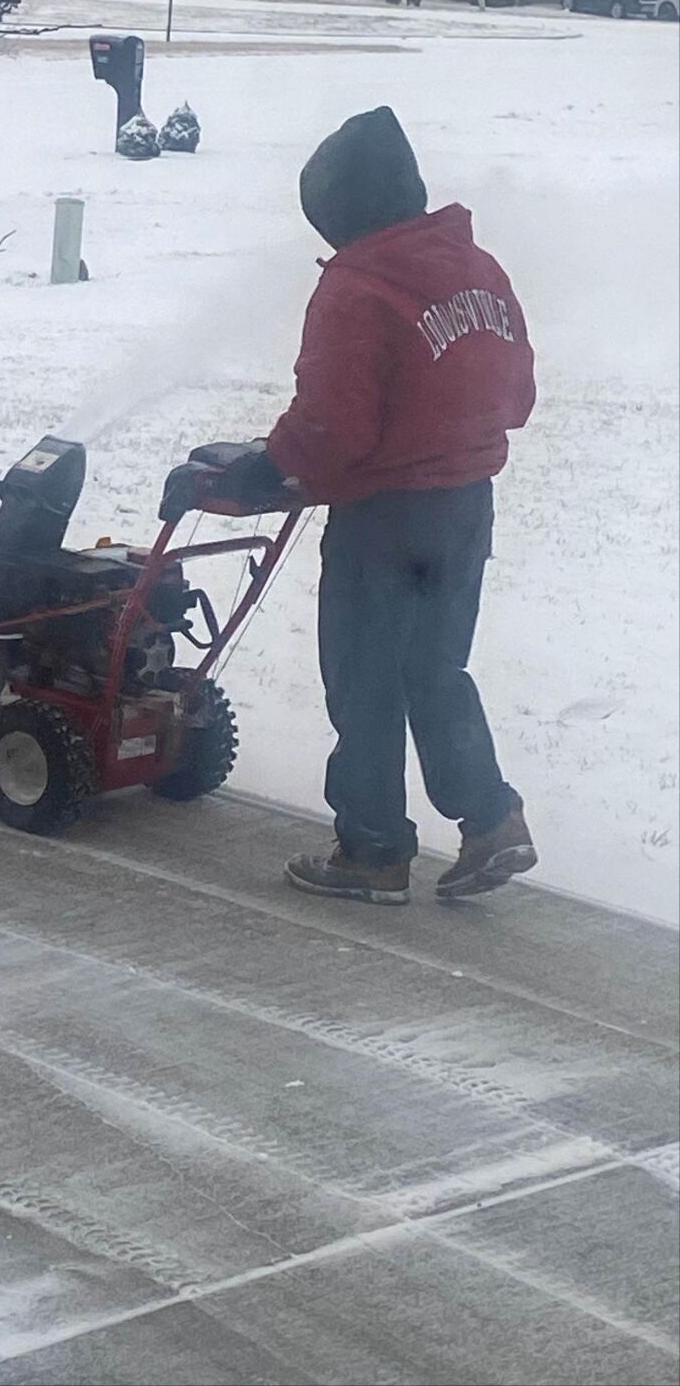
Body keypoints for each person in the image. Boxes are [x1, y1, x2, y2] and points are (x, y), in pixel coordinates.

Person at [265, 107, 537, 905]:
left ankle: (373, 850)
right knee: (434, 668)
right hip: (464, 506)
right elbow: (515, 394)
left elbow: (330, 427)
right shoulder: (476, 267)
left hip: (383, 518)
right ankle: (491, 819)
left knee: (364, 679)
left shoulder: (354, 286)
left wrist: (266, 468)